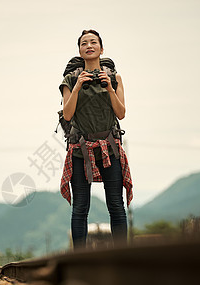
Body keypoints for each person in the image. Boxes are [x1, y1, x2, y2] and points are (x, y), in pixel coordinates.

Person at [59, 29, 133, 249]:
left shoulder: (114, 78)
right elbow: (67, 114)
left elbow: (121, 113)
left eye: (93, 42)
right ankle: (80, 257)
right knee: (81, 207)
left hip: (109, 147)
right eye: (84, 43)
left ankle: (121, 254)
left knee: (116, 205)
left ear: (102, 49)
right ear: (80, 51)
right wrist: (78, 85)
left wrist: (110, 87)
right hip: (80, 150)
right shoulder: (70, 79)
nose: (89, 46)